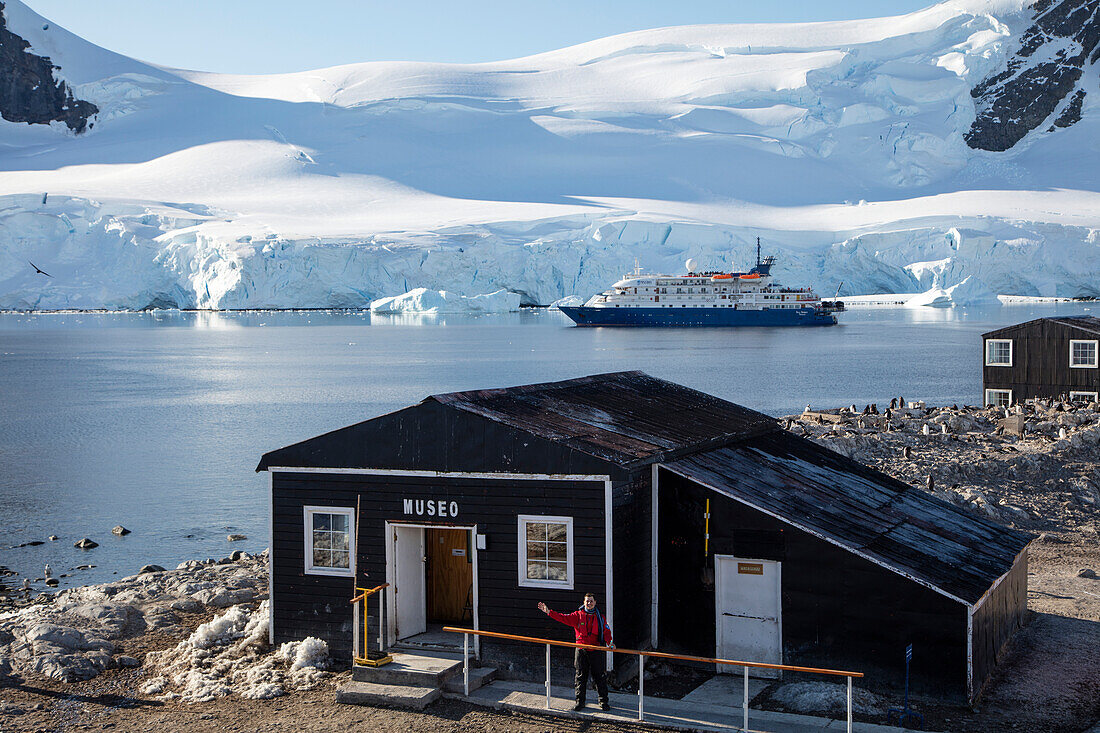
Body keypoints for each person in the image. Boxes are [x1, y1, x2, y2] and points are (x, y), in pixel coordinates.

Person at [537, 594, 614, 711]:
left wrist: (610, 643)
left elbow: (606, 632)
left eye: (591, 601)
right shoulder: (577, 615)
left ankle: (603, 702)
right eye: (587, 601)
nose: (589, 603)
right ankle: (580, 702)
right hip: (581, 650)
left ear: (595, 602)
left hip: (596, 650)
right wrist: (549, 612)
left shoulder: (600, 617)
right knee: (580, 677)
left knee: (599, 677)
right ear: (584, 603)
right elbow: (563, 617)